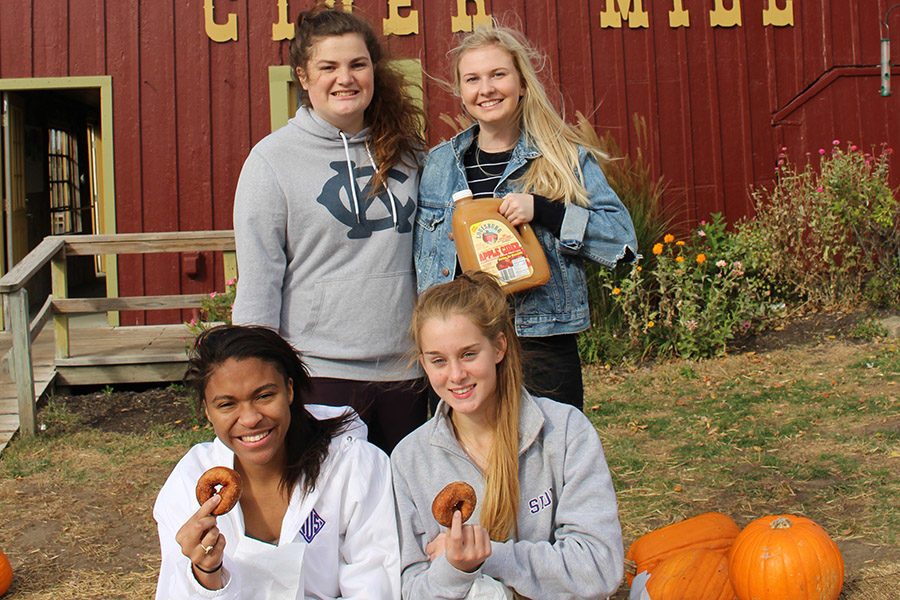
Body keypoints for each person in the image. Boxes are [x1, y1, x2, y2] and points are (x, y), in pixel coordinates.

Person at [231, 5, 427, 453]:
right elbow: (260, 281)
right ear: (303, 76)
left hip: (408, 369)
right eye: (329, 67)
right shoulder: (271, 162)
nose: (346, 78)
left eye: (358, 64)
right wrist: (252, 380)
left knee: (405, 509)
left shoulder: (409, 151)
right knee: (329, 514)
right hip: (318, 373)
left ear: (373, 70)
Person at [415, 25, 638, 411]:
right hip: (463, 352)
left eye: (498, 75)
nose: (486, 89)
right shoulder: (438, 165)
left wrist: (547, 211)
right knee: (470, 464)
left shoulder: (563, 157)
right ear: (461, 93)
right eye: (473, 79)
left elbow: (623, 242)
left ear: (521, 83)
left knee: (546, 461)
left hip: (540, 344)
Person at [391, 272, 623, 600]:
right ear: (423, 364)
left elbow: (600, 567)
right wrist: (454, 569)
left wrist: (490, 555)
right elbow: (411, 589)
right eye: (439, 361)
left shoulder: (566, 432)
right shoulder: (409, 459)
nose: (455, 375)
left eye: (469, 354)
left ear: (499, 347)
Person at [154, 325, 400, 599]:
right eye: (226, 405)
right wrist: (205, 573)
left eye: (264, 396)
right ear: (208, 411)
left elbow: (375, 583)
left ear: (290, 390)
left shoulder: (353, 466)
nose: (249, 419)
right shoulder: (188, 483)